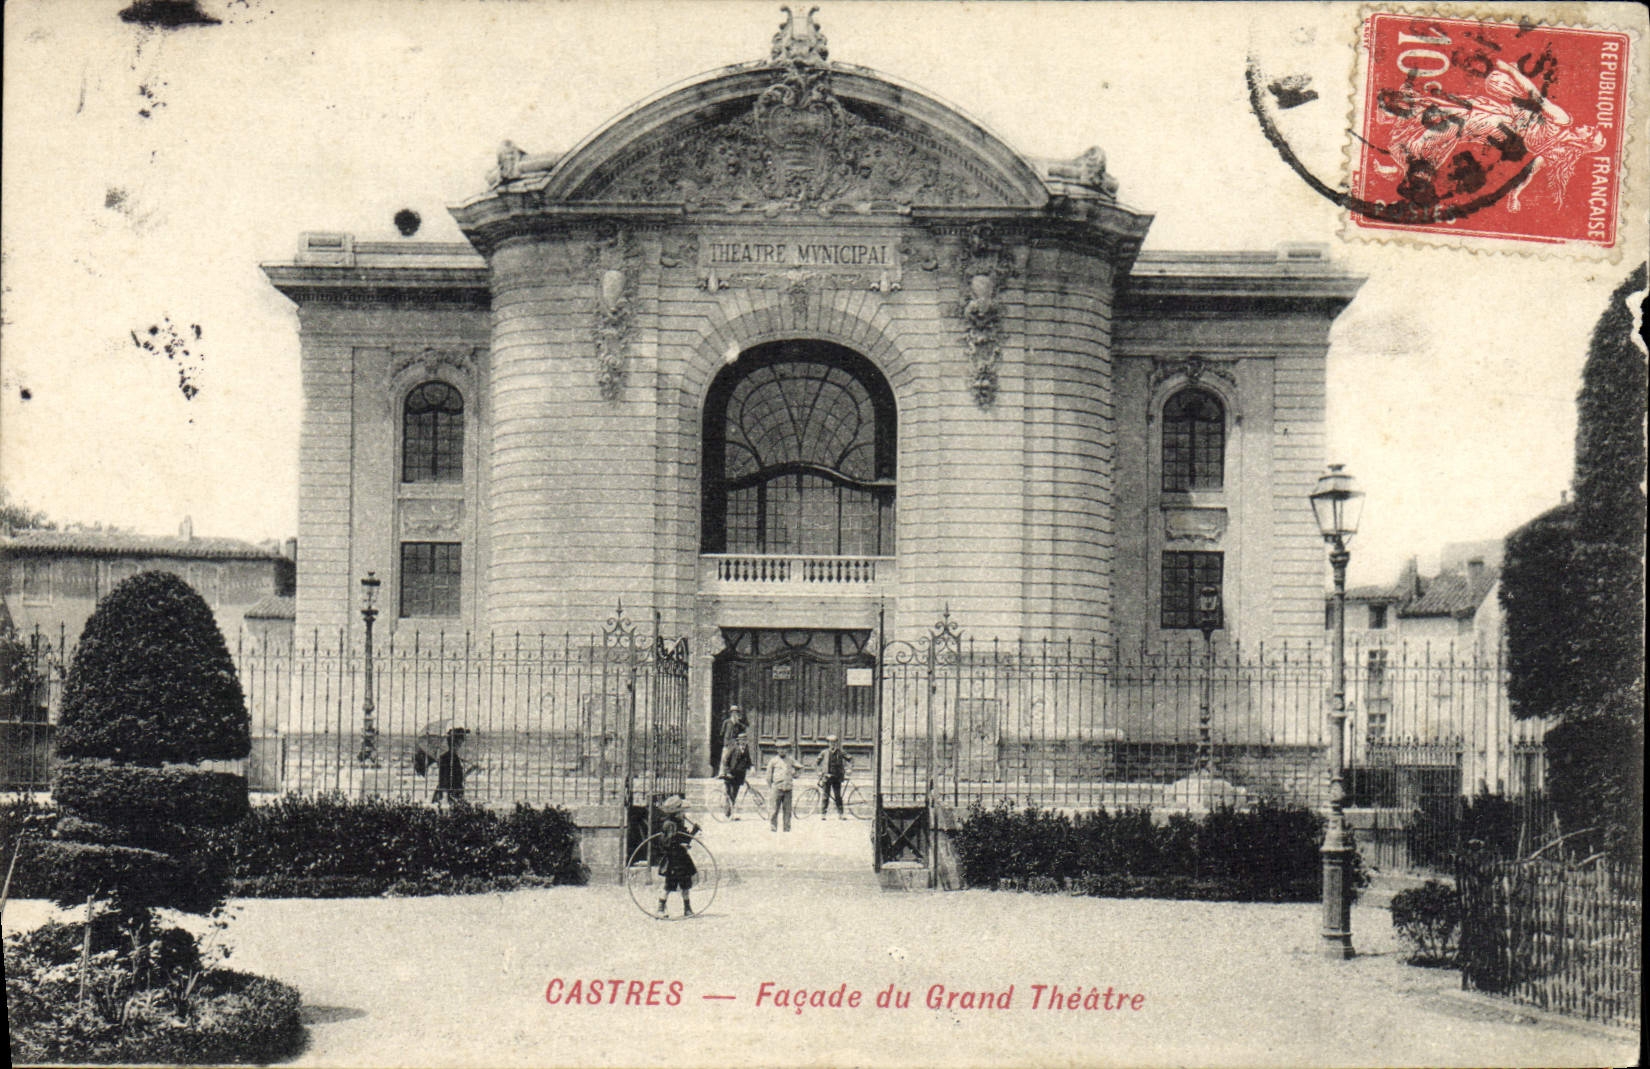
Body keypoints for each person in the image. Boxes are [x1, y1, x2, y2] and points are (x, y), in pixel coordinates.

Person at [654, 795, 698, 918]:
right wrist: (681, 845)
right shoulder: (669, 825)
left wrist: (694, 831)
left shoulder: (678, 823)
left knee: (685, 885)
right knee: (668, 886)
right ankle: (660, 909)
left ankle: (687, 909)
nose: (684, 813)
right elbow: (667, 843)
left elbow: (684, 839)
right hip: (673, 860)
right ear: (676, 812)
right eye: (682, 811)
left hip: (682, 859)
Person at [816, 734, 850, 819]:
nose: (832, 744)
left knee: (838, 796)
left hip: (837, 777)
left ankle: (840, 814)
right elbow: (817, 763)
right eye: (830, 742)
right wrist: (819, 772)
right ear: (828, 743)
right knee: (825, 796)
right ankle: (823, 814)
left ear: (836, 743)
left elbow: (850, 759)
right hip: (826, 777)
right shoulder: (824, 752)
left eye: (834, 742)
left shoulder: (840, 752)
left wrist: (849, 770)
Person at [721, 732, 752, 818]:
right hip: (730, 774)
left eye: (745, 740)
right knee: (729, 793)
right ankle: (728, 813)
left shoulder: (746, 749)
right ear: (739, 741)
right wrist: (727, 771)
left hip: (739, 775)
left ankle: (730, 813)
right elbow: (725, 760)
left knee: (734, 794)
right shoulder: (733, 748)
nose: (743, 742)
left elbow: (748, 760)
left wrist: (751, 767)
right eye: (742, 740)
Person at [434, 727, 469, 805]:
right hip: (452, 794)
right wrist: (471, 770)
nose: (461, 746)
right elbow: (459, 778)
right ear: (455, 743)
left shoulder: (444, 757)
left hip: (444, 793)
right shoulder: (453, 758)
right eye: (460, 744)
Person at [766, 748, 796, 832]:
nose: (782, 751)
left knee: (787, 810)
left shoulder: (790, 760)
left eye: (784, 749)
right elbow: (768, 776)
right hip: (777, 788)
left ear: (786, 750)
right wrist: (770, 787)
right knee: (774, 809)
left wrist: (795, 775)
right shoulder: (773, 761)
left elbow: (800, 767)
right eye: (780, 749)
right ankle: (773, 826)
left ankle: (787, 827)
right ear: (777, 750)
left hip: (788, 788)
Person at [719, 705, 748, 770]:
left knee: (734, 758)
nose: (734, 714)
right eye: (733, 712)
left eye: (736, 712)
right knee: (725, 758)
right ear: (731, 713)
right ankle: (723, 773)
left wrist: (739, 723)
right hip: (727, 743)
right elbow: (722, 733)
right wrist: (725, 741)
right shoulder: (726, 722)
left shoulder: (738, 723)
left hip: (735, 743)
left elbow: (744, 730)